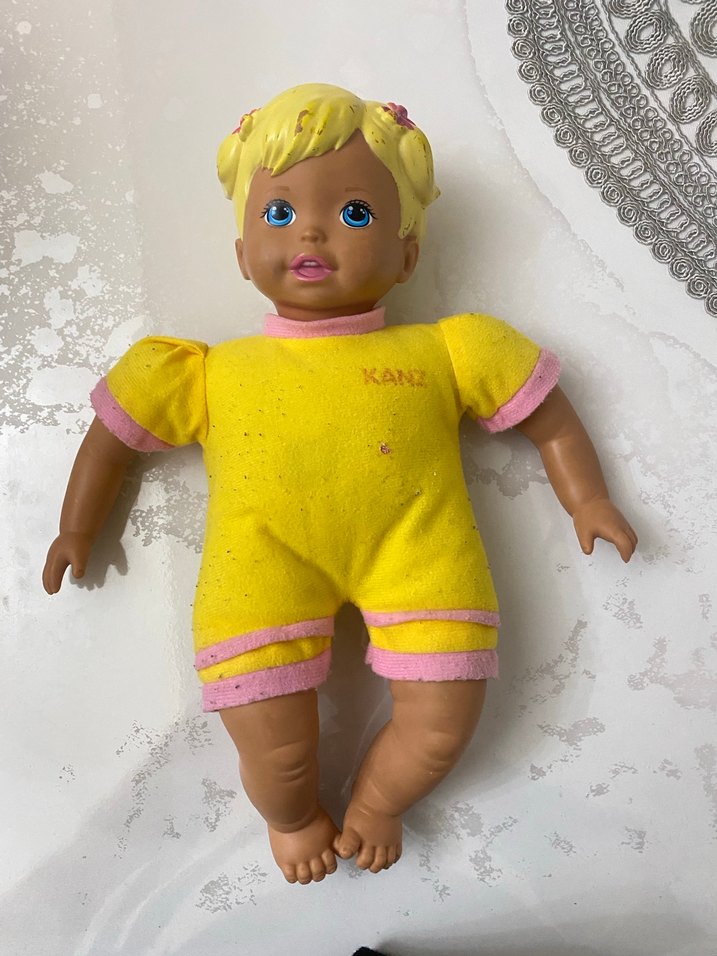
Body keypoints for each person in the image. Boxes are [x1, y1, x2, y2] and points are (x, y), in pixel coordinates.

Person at [43, 83, 637, 886]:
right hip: (262, 565)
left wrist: (587, 498)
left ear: (407, 254)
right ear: (242, 252)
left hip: (420, 552)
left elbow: (551, 421)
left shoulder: (447, 353)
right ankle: (291, 818)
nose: (312, 231)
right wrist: (77, 527)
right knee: (275, 751)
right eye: (279, 212)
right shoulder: (208, 372)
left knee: (442, 722)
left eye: (355, 213)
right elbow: (110, 443)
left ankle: (380, 801)